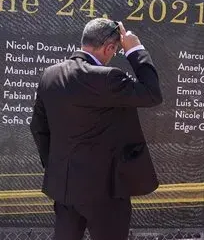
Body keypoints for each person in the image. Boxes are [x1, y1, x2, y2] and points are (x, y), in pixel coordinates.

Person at [29, 18, 163, 240]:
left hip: (64, 187)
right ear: (109, 48)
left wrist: (57, 165)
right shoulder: (107, 78)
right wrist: (135, 49)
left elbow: (38, 127)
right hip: (106, 191)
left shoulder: (50, 75)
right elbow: (152, 93)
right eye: (116, 50)